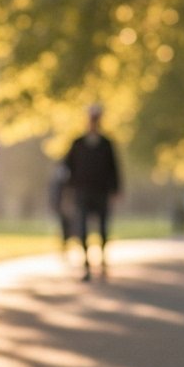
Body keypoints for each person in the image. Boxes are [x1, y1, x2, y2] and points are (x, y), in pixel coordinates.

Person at [64, 104, 122, 281]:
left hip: (101, 192)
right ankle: (87, 265)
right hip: (82, 192)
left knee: (103, 228)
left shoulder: (106, 144)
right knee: (82, 228)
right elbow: (68, 167)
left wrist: (115, 190)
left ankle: (102, 262)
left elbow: (114, 169)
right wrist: (68, 190)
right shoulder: (78, 144)